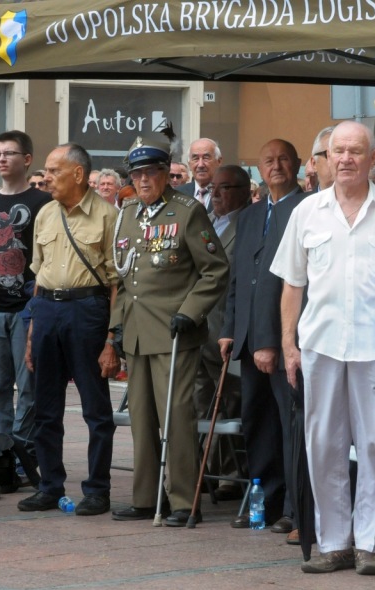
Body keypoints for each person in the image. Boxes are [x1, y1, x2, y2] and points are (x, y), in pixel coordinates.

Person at [271, 121, 375, 575]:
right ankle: (334, 542)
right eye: (338, 151)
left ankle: (370, 544)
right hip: (321, 344)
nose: (346, 159)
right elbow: (293, 284)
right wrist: (288, 345)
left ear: (372, 159)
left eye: (356, 151)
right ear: (325, 159)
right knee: (323, 445)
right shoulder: (306, 212)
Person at [110, 136, 229, 526]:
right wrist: (116, 329)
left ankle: (183, 501)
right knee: (142, 419)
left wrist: (191, 312)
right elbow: (125, 278)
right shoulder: (127, 213)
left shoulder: (188, 211)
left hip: (175, 331)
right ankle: (145, 497)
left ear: (166, 175)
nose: (143, 180)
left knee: (176, 417)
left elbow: (216, 269)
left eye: (151, 173)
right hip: (138, 332)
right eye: (137, 174)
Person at [17, 143, 119, 516]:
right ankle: (50, 485)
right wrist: (32, 332)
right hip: (47, 311)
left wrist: (111, 339)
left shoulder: (108, 216)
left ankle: (98, 489)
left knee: (96, 408)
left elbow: (115, 284)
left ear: (78, 174)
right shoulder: (44, 214)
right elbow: (38, 280)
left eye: (53, 171)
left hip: (87, 310)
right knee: (45, 406)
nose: (46, 178)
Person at [221, 140, 308, 538]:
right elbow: (238, 277)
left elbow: (290, 283)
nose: (276, 166)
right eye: (268, 160)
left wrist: (273, 340)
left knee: (291, 424)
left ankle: (294, 506)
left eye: (283, 159)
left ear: (297, 165)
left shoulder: (305, 209)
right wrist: (229, 328)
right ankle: (265, 500)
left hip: (284, 338)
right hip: (247, 338)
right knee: (257, 423)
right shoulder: (251, 215)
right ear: (258, 168)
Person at [0, 131, 51, 476]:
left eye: (9, 153)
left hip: (26, 308)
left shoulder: (42, 202)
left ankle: (22, 449)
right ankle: (4, 447)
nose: (2, 159)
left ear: (27, 159)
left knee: (29, 384)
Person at [197, 165, 250, 502]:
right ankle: (204, 471)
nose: (216, 194)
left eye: (225, 187)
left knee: (230, 401)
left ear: (245, 190)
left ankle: (232, 476)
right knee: (200, 403)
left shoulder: (247, 222)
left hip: (225, 328)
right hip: (199, 329)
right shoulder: (208, 222)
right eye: (213, 188)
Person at [176, 138, 222, 212]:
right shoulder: (177, 194)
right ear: (189, 164)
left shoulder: (228, 195)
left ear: (218, 162)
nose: (200, 165)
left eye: (206, 158)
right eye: (195, 158)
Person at [303, 126, 335, 193]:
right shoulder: (299, 203)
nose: (343, 160)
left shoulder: (362, 202)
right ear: (314, 163)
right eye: (331, 155)